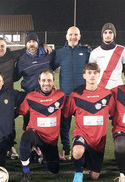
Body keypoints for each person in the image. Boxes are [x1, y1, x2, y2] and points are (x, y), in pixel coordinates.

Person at [63, 63, 115, 182]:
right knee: (77, 151)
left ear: (98, 75)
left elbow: (113, 115)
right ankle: (79, 171)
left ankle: (85, 158)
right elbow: (66, 115)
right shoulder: (75, 95)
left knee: (94, 177)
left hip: (99, 139)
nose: (92, 75)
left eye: (95, 73)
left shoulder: (107, 95)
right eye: (89, 73)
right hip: (82, 134)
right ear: (84, 76)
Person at [16, 69, 65, 182]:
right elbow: (19, 111)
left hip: (51, 140)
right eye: (43, 80)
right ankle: (26, 172)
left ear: (54, 82)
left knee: (54, 170)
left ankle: (37, 157)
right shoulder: (31, 97)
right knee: (25, 140)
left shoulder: (60, 95)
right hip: (35, 134)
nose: (46, 83)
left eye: (49, 80)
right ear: (39, 81)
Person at [54, 26, 91, 159]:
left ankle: (85, 147)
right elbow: (49, 67)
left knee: (84, 124)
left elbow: (91, 69)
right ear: (66, 36)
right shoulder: (59, 53)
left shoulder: (86, 52)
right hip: (66, 95)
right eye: (70, 34)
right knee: (65, 124)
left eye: (76, 35)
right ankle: (66, 148)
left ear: (79, 36)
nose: (73, 37)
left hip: (82, 95)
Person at [89, 23, 125, 89]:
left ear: (114, 35)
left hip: (118, 89)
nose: (108, 35)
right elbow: (91, 74)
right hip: (100, 89)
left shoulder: (123, 50)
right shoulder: (94, 52)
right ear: (102, 35)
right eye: (105, 33)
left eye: (110, 32)